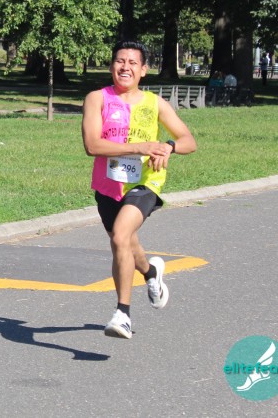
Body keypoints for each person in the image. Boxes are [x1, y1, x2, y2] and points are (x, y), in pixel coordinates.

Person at [81, 40, 197, 339]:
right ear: (111, 66)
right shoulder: (97, 99)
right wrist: (140, 146)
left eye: (133, 63)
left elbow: (189, 141)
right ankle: (150, 272)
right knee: (125, 242)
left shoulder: (155, 103)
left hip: (145, 182)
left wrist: (168, 147)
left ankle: (123, 314)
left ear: (143, 70)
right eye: (120, 61)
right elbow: (92, 145)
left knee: (121, 236)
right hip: (108, 185)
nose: (125, 67)